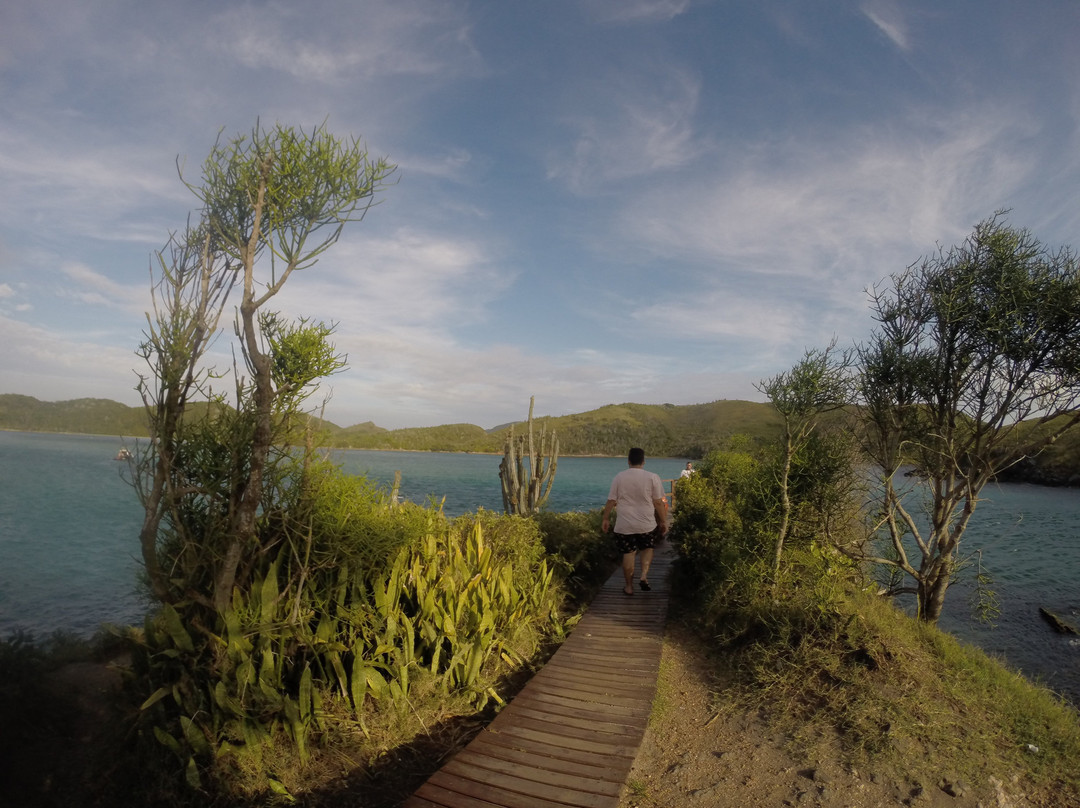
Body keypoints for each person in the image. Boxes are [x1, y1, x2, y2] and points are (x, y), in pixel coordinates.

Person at [602, 447, 668, 596]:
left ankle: (629, 587)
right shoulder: (652, 477)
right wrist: (664, 521)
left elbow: (612, 500)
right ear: (643, 461)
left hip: (625, 524)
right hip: (647, 524)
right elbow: (658, 502)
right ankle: (644, 575)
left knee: (629, 553)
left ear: (628, 461)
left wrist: (605, 518)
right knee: (647, 548)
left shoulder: (619, 477)